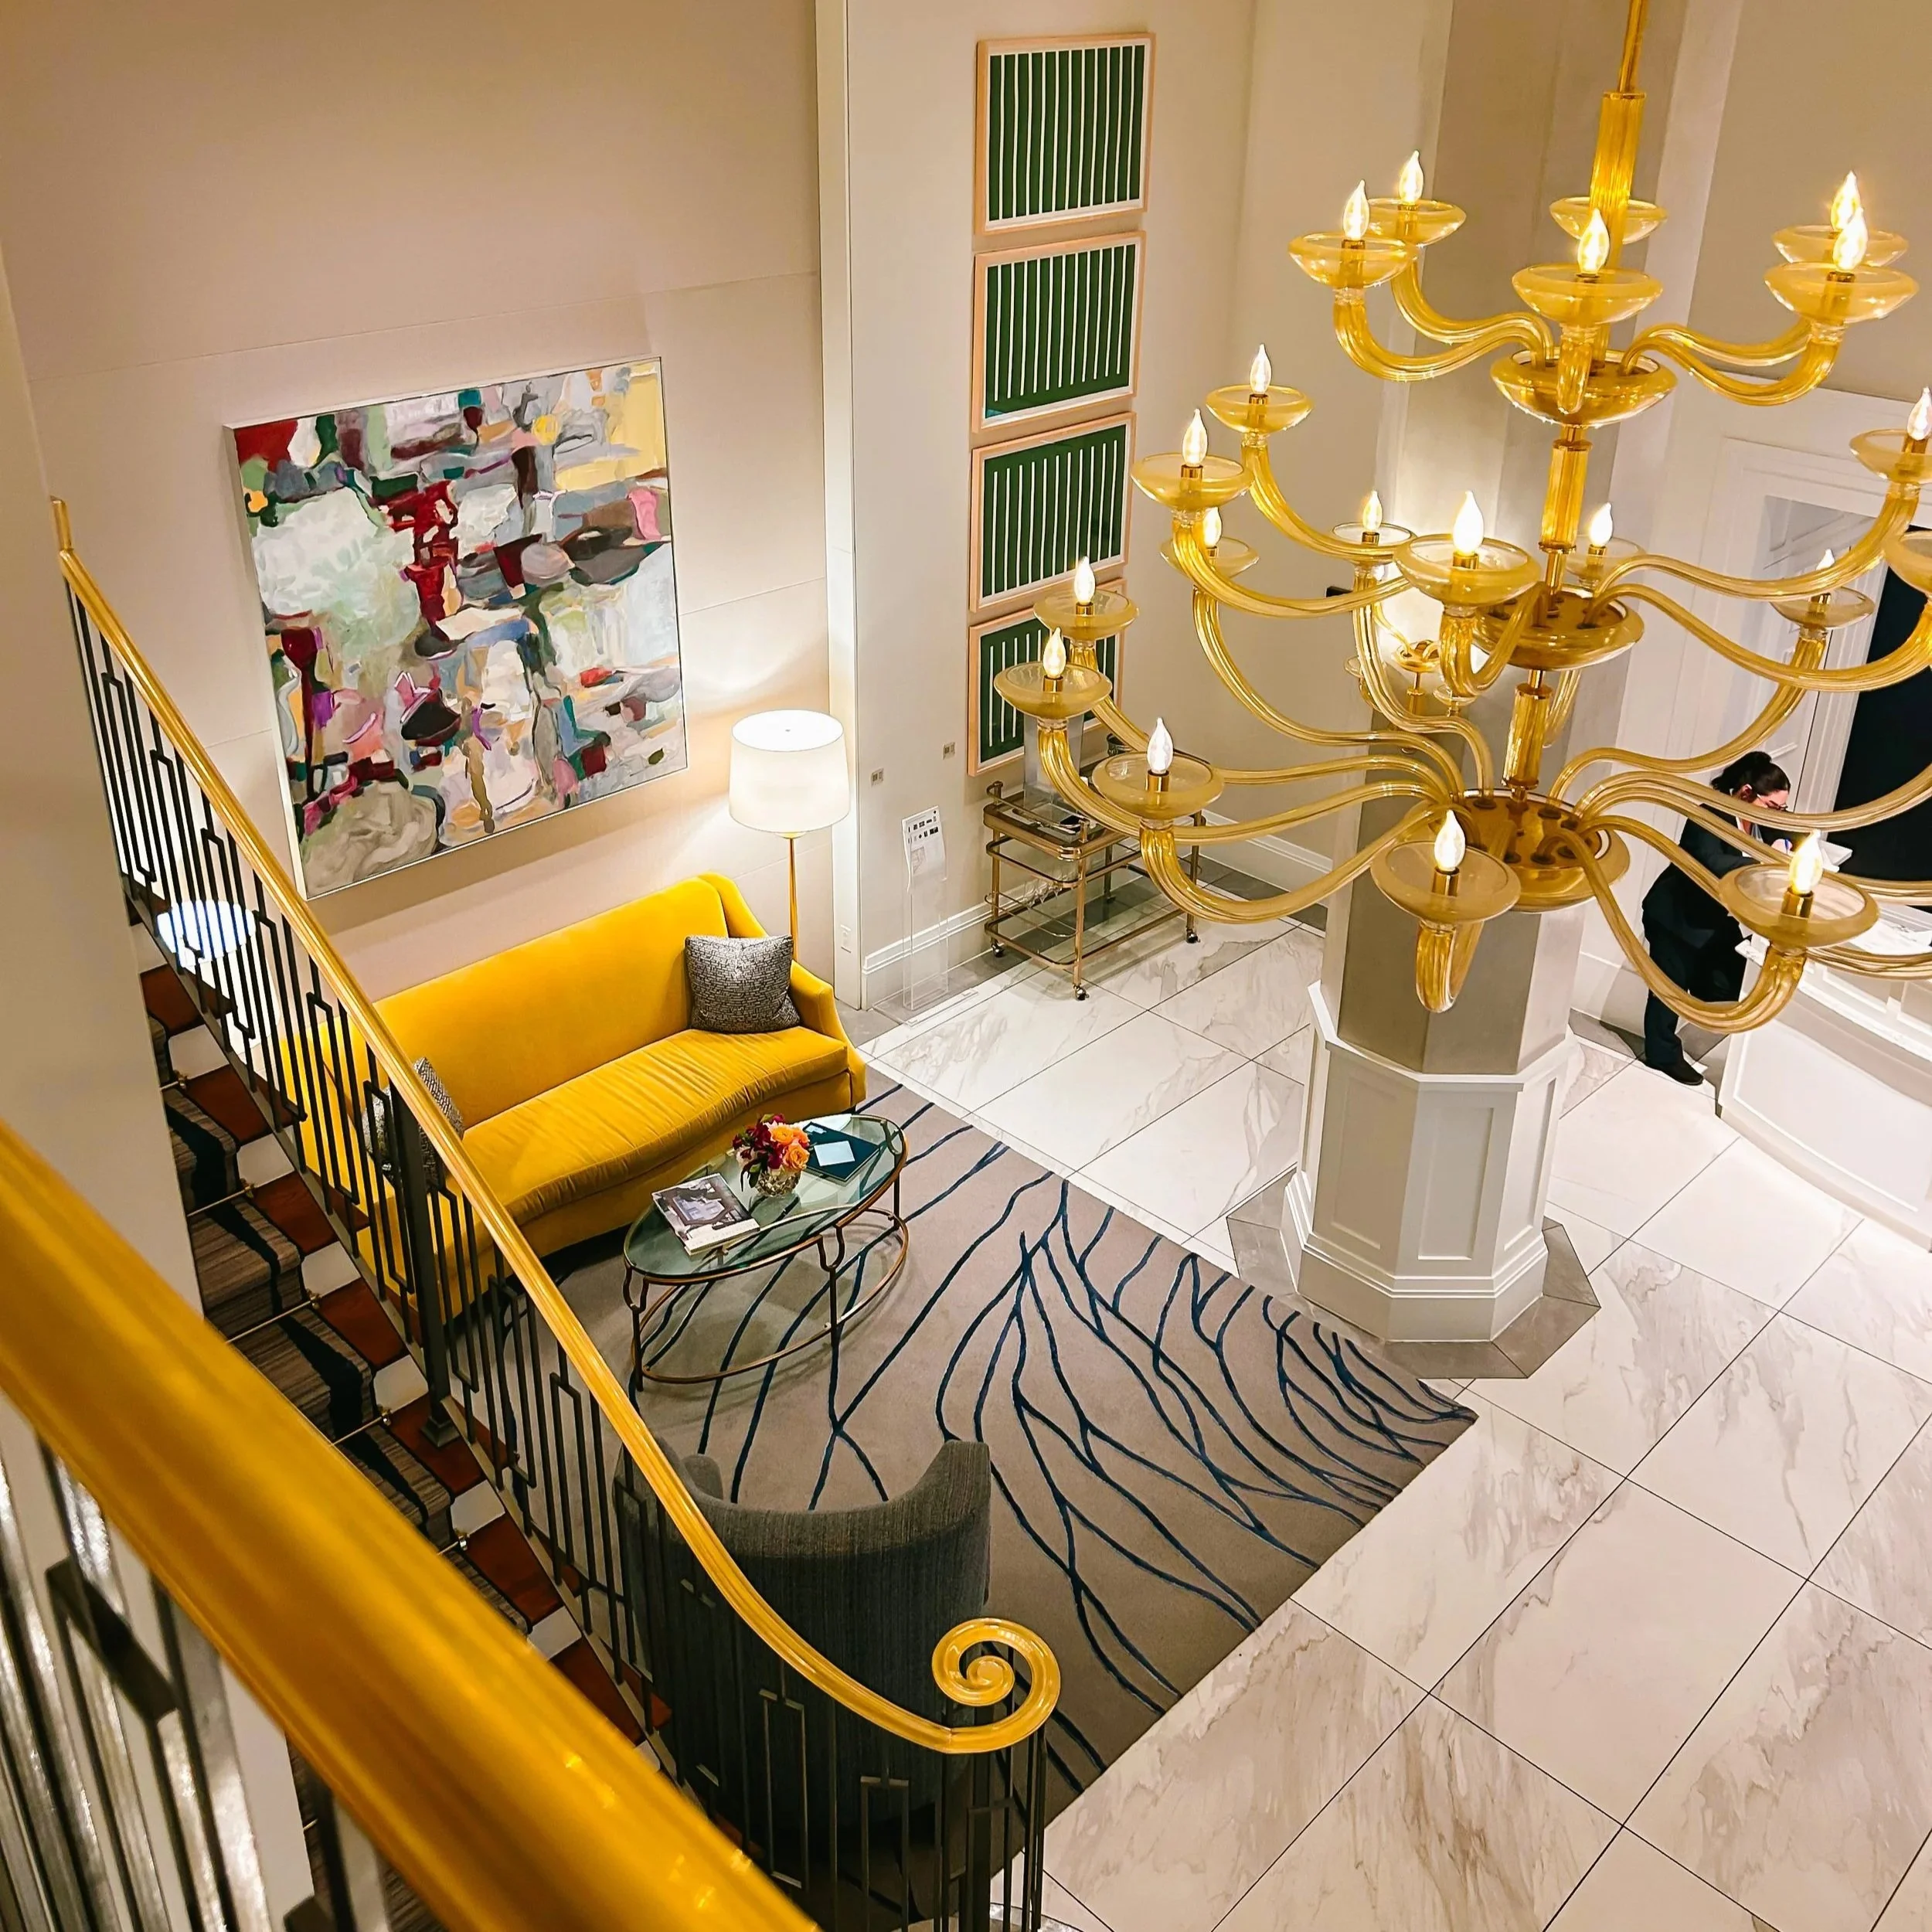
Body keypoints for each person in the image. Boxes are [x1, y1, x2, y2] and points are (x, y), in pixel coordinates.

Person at [1639, 750, 1790, 1084]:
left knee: (1732, 985)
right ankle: (1661, 1054)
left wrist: (1783, 843)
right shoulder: (1709, 815)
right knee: (1668, 991)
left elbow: (1784, 838)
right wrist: (1765, 861)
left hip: (1714, 921)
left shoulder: (1757, 823)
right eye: (1773, 807)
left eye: (1781, 809)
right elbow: (1711, 861)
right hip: (1677, 918)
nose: (1777, 815)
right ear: (1746, 793)